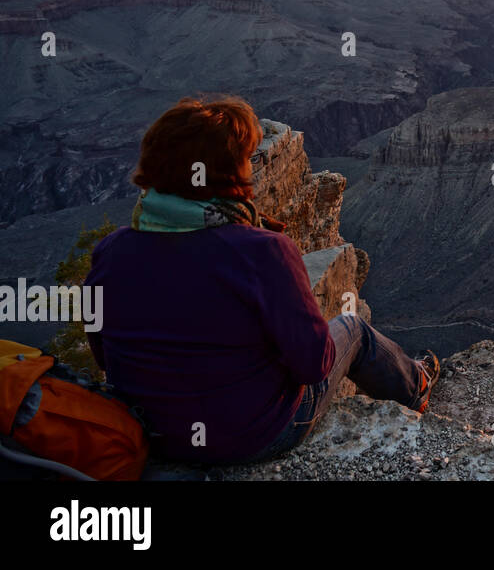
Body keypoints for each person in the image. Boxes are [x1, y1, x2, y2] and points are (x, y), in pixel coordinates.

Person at [84, 95, 439, 466]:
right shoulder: (262, 251)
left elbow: (103, 354)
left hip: (148, 437)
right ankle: (418, 390)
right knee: (354, 329)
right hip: (247, 436)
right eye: (246, 159)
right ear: (231, 171)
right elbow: (313, 365)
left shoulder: (111, 250)